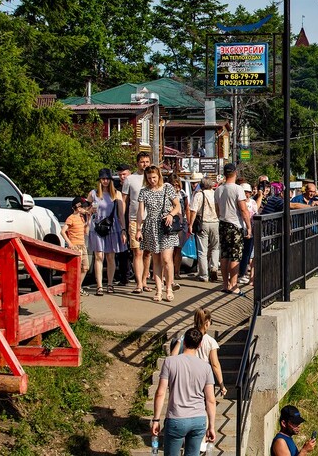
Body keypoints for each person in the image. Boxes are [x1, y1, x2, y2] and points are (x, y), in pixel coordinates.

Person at [151, 328, 217, 456]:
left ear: (183, 343)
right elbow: (210, 400)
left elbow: (160, 393)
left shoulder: (170, 362)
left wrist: (156, 420)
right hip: (198, 419)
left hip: (176, 418)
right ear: (200, 345)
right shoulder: (206, 367)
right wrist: (211, 426)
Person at [135, 166, 181, 302]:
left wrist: (171, 214)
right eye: (149, 178)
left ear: (159, 176)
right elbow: (140, 212)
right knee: (155, 260)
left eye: (154, 177)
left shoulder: (167, 187)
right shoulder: (144, 191)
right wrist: (138, 229)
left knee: (167, 259)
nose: (152, 180)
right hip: (151, 226)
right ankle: (159, 289)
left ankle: (169, 288)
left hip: (165, 225)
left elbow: (177, 205)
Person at [170, 309, 226, 398]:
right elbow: (215, 364)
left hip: (185, 374)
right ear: (207, 323)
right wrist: (221, 385)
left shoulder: (186, 336)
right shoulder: (211, 341)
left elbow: (173, 356)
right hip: (202, 377)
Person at [86, 170, 126, 294]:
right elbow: (86, 211)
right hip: (97, 227)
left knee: (110, 256)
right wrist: (90, 210)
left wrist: (123, 230)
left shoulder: (116, 194)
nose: (105, 181)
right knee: (99, 256)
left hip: (112, 227)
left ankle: (109, 283)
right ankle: (99, 286)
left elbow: (121, 214)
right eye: (103, 179)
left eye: (107, 179)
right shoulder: (93, 193)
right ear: (99, 180)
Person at [215, 163, 252, 294]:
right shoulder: (238, 189)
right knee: (235, 256)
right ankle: (234, 284)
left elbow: (217, 209)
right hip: (235, 225)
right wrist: (249, 227)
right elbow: (243, 209)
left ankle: (225, 285)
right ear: (235, 172)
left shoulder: (219, 189)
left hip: (223, 223)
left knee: (224, 255)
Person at [124, 152, 153, 295]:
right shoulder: (130, 179)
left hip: (151, 219)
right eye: (142, 162)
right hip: (135, 219)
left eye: (147, 161)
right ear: (137, 163)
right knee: (138, 252)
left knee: (148, 253)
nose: (145, 164)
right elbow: (124, 201)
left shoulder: (153, 178)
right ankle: (139, 283)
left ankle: (145, 281)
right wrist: (123, 220)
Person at [189, 178, 220, 283]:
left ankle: (204, 274)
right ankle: (214, 267)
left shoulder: (198, 195)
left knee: (203, 250)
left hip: (203, 223)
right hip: (216, 222)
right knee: (215, 247)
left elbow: (193, 211)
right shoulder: (215, 194)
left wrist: (190, 224)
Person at [62, 196, 91, 281]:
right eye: (84, 207)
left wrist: (88, 221)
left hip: (82, 245)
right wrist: (70, 244)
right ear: (78, 207)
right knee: (75, 268)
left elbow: (86, 232)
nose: (86, 209)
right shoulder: (71, 218)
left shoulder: (82, 218)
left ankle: (78, 287)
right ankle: (72, 287)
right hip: (75, 245)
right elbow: (63, 231)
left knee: (85, 267)